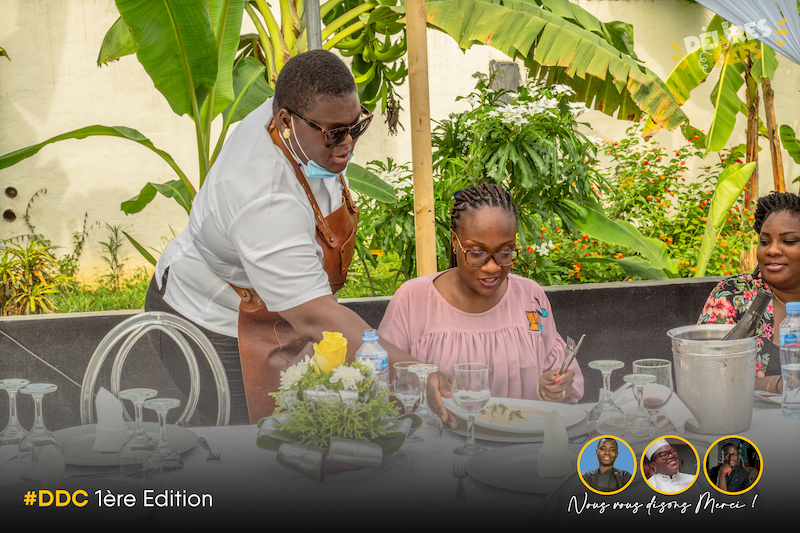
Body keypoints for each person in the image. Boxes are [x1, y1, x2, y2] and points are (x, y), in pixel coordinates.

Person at [145, 50, 453, 427]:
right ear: (286, 121)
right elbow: (314, 317)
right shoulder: (264, 199)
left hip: (282, 309)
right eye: (334, 134)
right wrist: (414, 371)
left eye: (357, 125)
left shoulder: (303, 109)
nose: (348, 144)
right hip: (215, 324)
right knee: (256, 448)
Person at [378, 184, 583, 402]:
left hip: (520, 436)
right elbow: (382, 385)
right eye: (477, 253)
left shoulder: (530, 297)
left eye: (505, 252)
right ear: (455, 242)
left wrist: (552, 388)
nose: (492, 267)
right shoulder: (414, 299)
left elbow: (556, 372)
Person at [697, 191, 800, 394]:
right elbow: (704, 374)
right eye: (764, 241)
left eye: (788, 241)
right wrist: (781, 385)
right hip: (745, 422)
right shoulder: (731, 295)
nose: (772, 250)